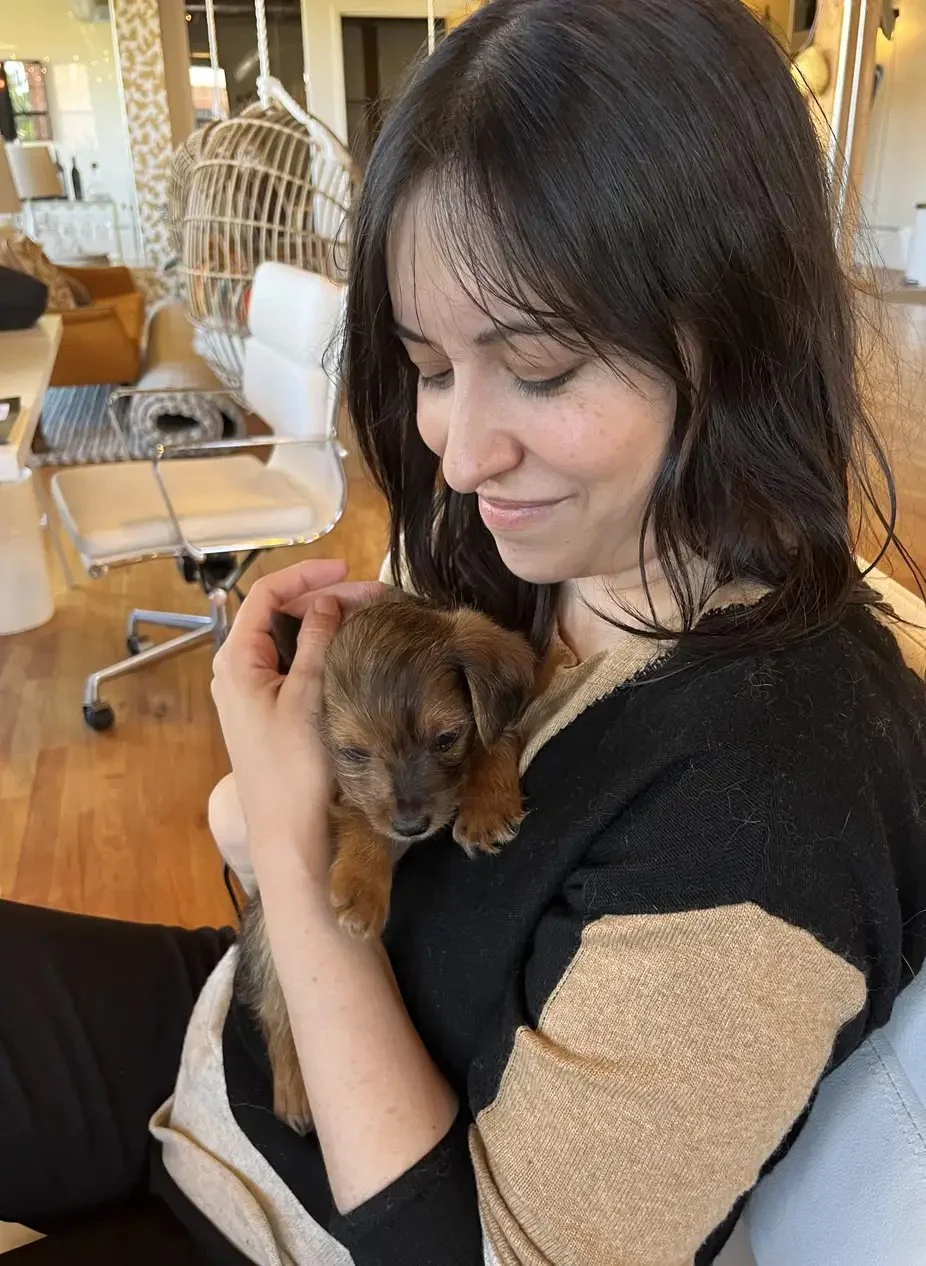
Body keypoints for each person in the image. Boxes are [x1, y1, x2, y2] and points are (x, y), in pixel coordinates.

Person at [2, 0, 925, 1262]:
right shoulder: (520, 552)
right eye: (432, 368)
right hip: (240, 1029)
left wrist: (275, 829)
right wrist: (270, 817)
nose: (464, 452)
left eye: (538, 366)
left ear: (731, 326)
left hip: (302, 1218)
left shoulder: (776, 795)